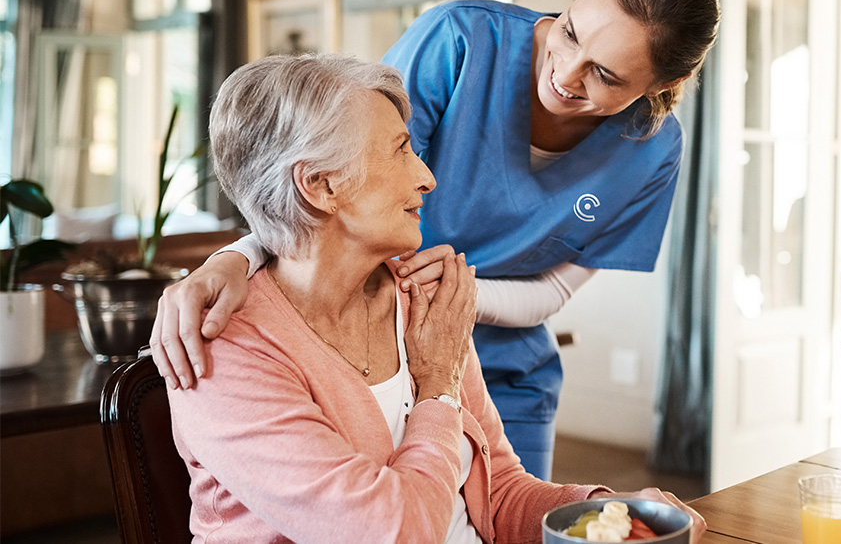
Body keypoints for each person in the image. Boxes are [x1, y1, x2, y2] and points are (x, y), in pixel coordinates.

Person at [153, 0, 721, 481]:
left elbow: (555, 292)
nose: (566, 74)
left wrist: (455, 302)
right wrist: (237, 256)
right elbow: (328, 176)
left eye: (605, 75)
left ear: (665, 84)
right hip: (374, 345)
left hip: (505, 368)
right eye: (570, 32)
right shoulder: (459, 41)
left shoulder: (652, 151)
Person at [166, 52, 706, 543]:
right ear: (322, 187)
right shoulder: (223, 350)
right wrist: (439, 389)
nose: (427, 178)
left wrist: (607, 512)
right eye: (401, 150)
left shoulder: (420, 301)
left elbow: (497, 494)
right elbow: (392, 533)